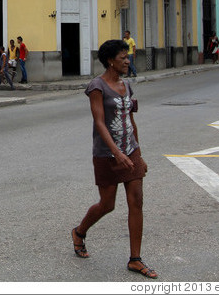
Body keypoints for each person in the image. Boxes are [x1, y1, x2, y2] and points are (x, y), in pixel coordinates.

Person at [71, 39, 157, 279]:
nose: (128, 61)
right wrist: (116, 153)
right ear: (111, 61)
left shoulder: (127, 86)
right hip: (107, 154)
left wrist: (137, 153)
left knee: (136, 200)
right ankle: (79, 231)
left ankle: (135, 259)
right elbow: (99, 122)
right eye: (123, 58)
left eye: (127, 57)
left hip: (130, 151)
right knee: (107, 204)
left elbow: (131, 121)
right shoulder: (97, 87)